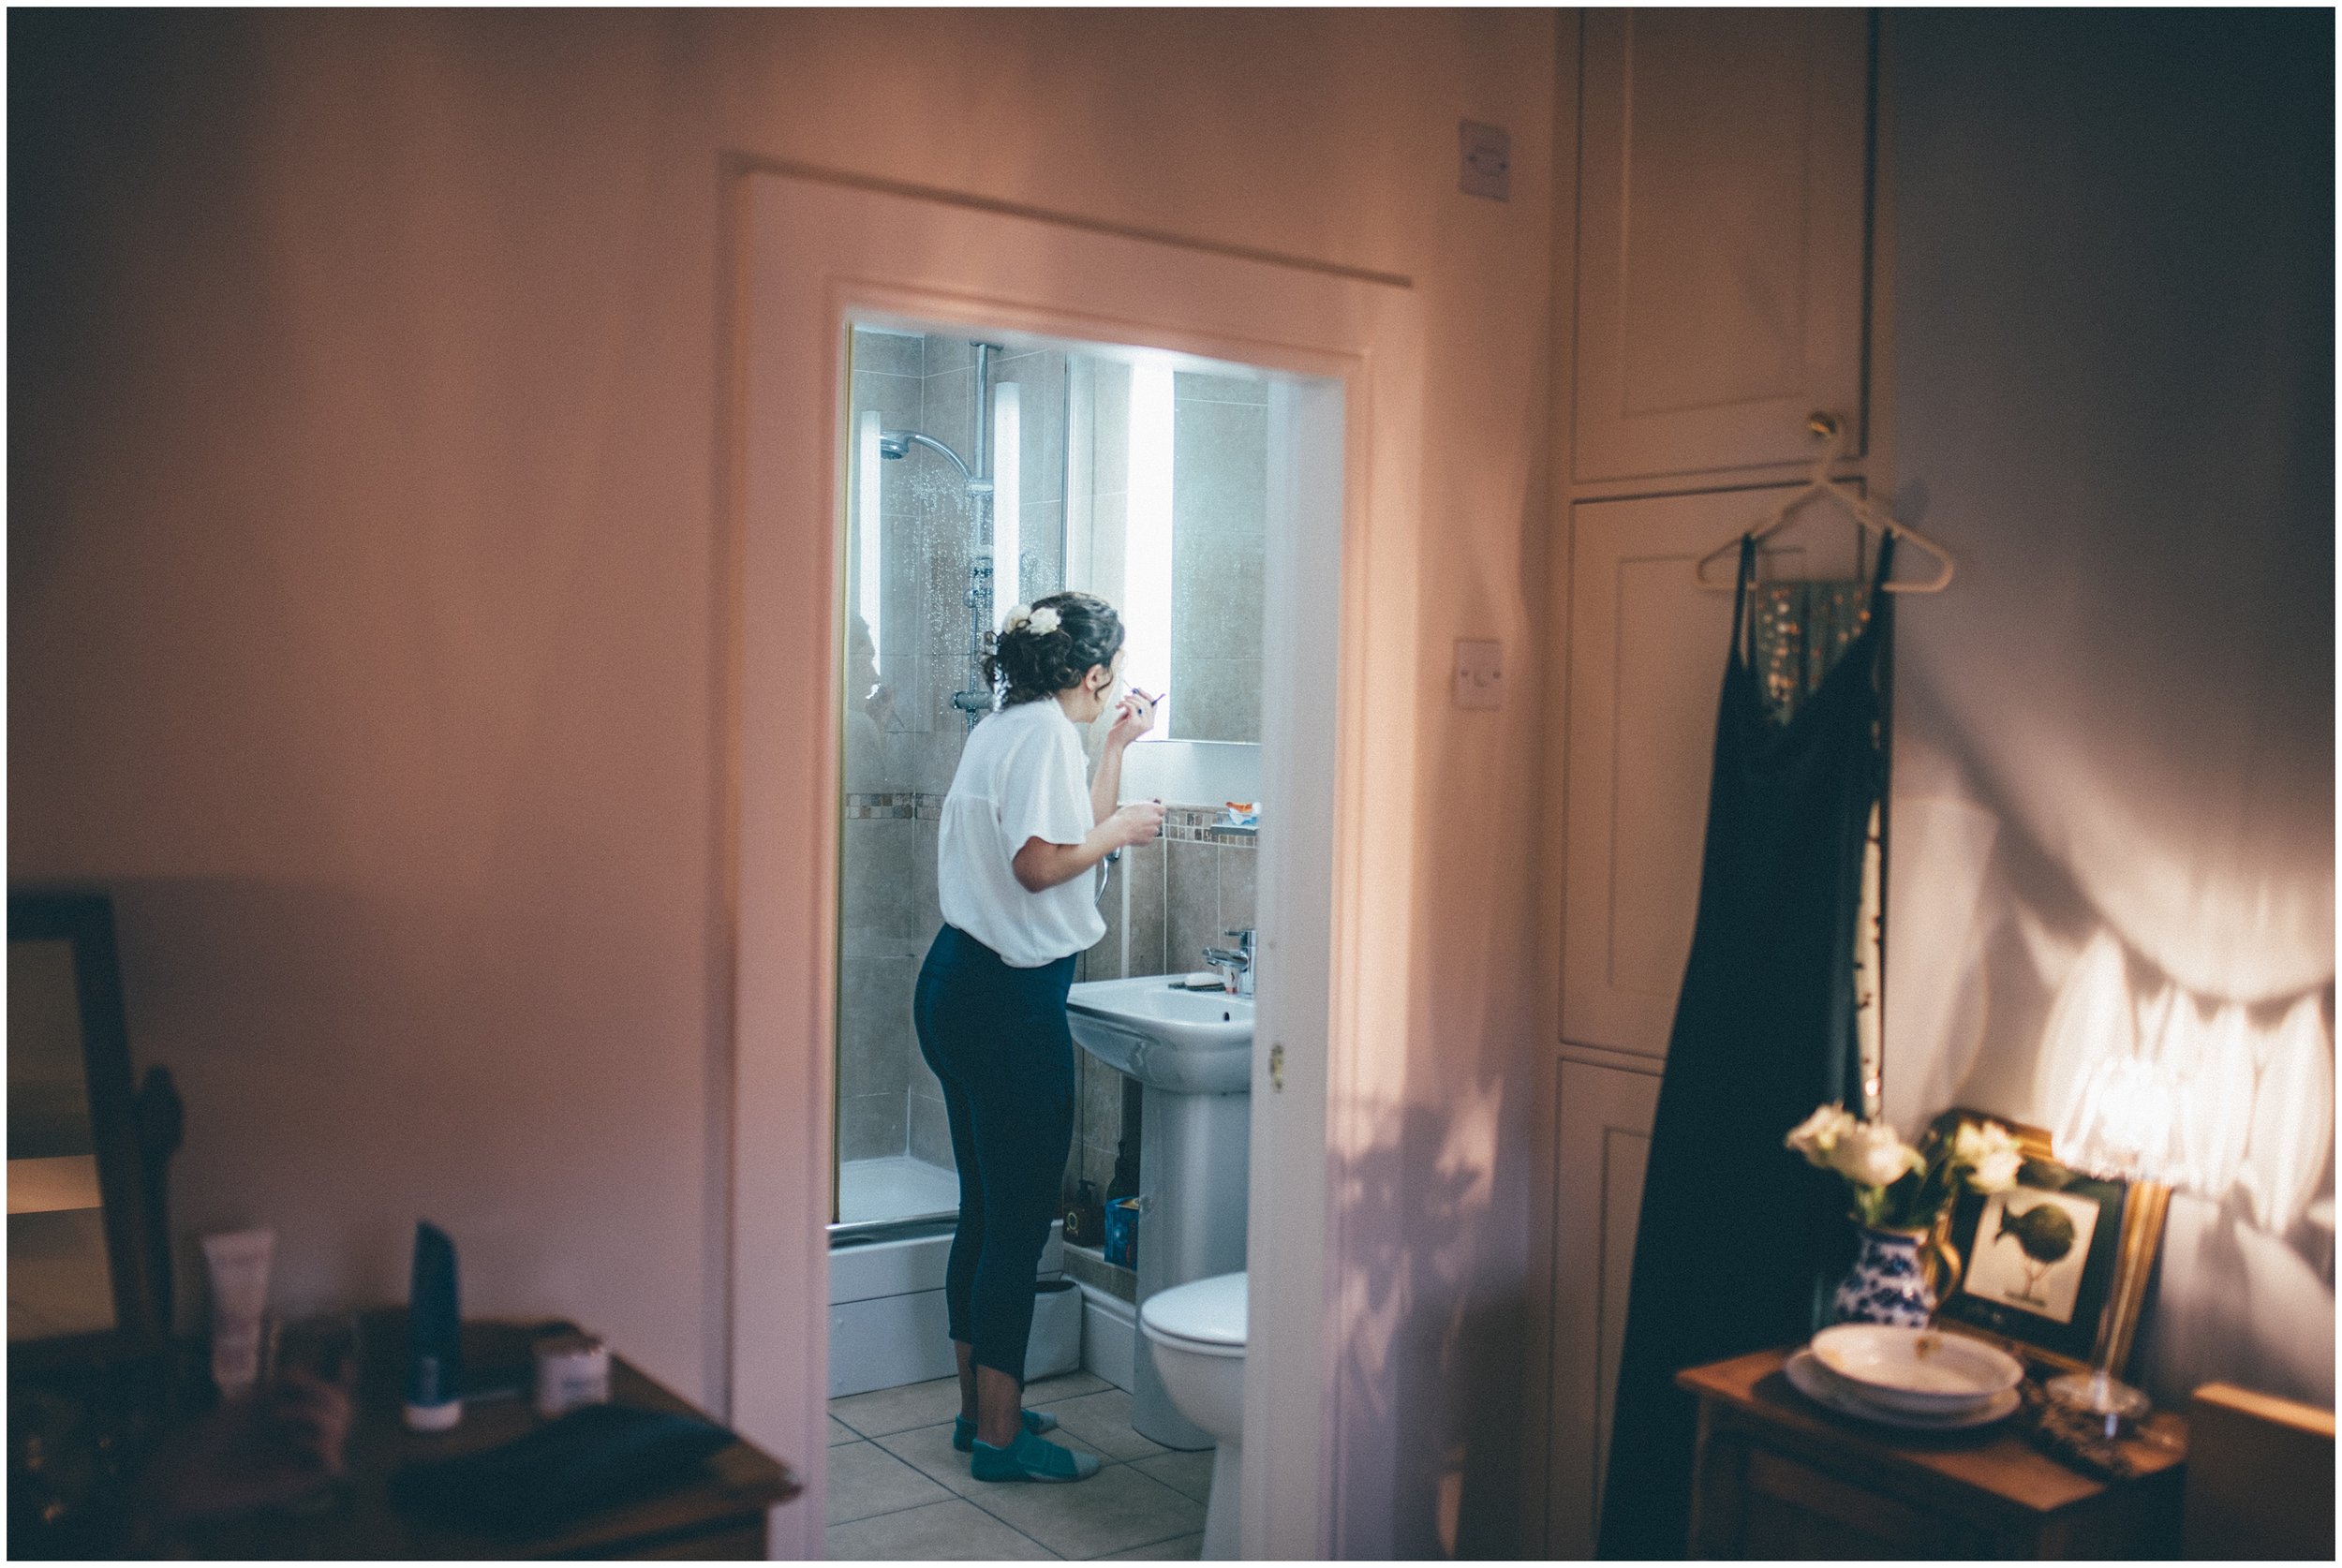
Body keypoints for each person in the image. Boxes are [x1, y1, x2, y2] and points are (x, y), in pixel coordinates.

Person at [917, 590, 1164, 1484]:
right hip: (1007, 1002)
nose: (1114, 691)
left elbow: (1062, 830)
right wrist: (1127, 829)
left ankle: (978, 1408)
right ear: (1091, 673)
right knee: (1019, 1224)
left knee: (986, 1211)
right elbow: (1040, 865)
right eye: (1112, 681)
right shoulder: (1038, 737)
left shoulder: (1009, 727)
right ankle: (999, 1440)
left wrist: (1115, 754)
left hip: (957, 987)